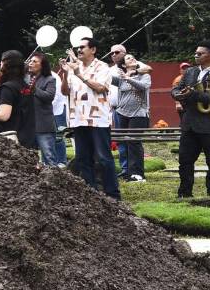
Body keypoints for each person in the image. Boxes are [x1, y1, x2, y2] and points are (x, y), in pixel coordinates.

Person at [63, 37, 120, 199]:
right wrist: (67, 73)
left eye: (82, 47)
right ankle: (92, 195)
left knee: (103, 158)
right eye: (78, 48)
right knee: (82, 158)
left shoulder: (103, 67)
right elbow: (65, 92)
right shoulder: (74, 67)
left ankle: (113, 195)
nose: (79, 50)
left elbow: (101, 88)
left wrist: (79, 75)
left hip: (98, 120)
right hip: (78, 119)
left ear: (93, 50)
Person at [171, 40, 210, 198]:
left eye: (200, 53)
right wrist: (177, 94)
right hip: (190, 123)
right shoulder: (191, 71)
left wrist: (195, 95)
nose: (196, 55)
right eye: (196, 53)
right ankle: (185, 192)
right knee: (185, 160)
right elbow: (176, 88)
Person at [0, 51, 35, 148]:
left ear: (7, 64)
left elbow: (4, 116)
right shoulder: (25, 86)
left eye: (1, 61)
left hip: (11, 140)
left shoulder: (8, 87)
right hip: (27, 137)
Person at [112, 54, 152, 182]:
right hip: (122, 113)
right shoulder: (119, 78)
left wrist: (128, 78)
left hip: (139, 113)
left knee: (134, 142)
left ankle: (138, 174)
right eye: (128, 58)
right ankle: (127, 172)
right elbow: (104, 77)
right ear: (123, 65)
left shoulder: (144, 75)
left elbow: (143, 86)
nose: (132, 58)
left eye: (133, 57)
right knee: (123, 142)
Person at [26, 52, 60, 166]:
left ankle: (54, 180)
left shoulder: (49, 79)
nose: (30, 63)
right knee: (30, 157)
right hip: (29, 125)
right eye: (30, 61)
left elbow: (49, 96)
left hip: (44, 125)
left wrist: (34, 89)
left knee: (49, 157)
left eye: (34, 61)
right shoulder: (26, 78)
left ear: (42, 65)